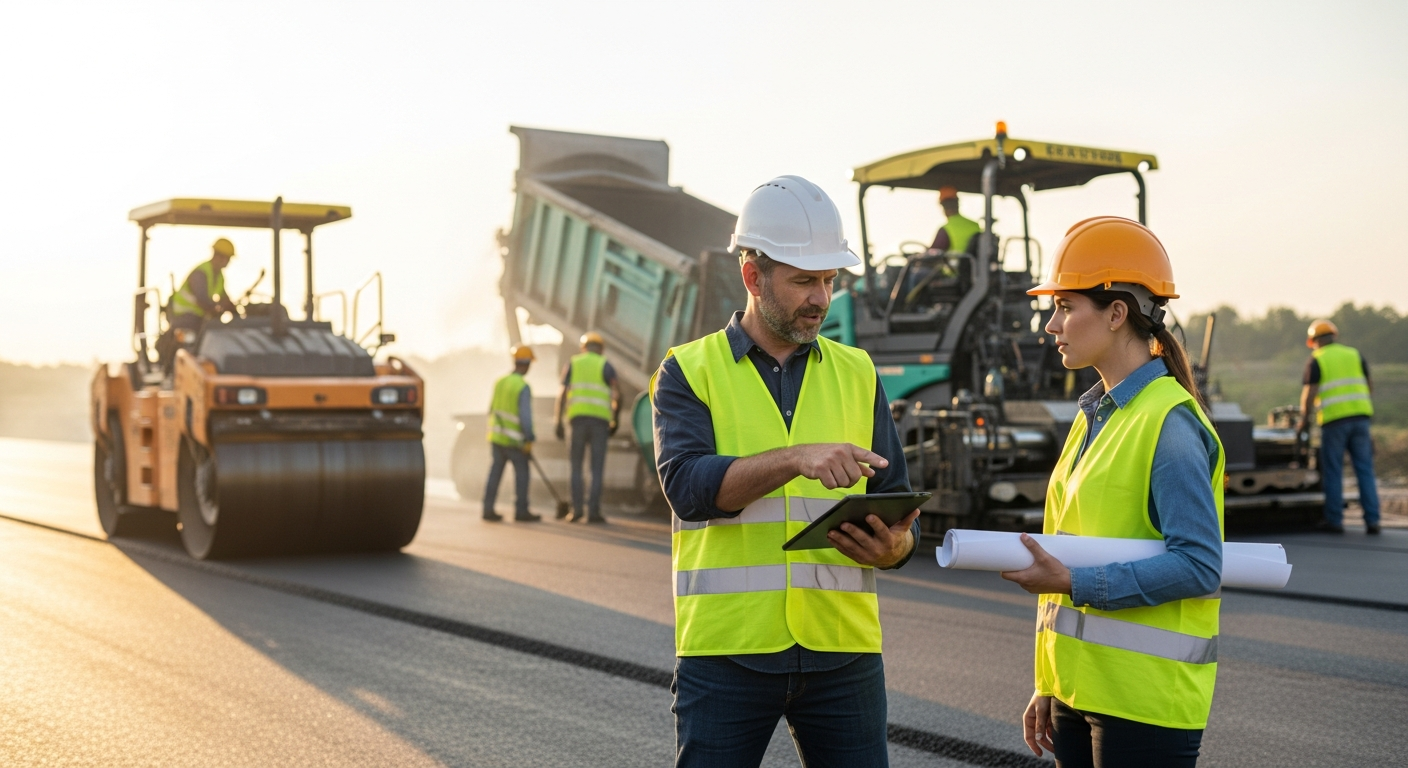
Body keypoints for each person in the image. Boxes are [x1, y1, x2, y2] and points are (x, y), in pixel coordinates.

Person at [652, 175, 923, 768]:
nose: (821, 298)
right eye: (804, 281)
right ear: (753, 277)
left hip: (844, 652)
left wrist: (895, 548)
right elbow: (689, 490)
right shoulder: (688, 371)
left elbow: (899, 506)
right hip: (726, 653)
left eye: (829, 280)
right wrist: (796, 458)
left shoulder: (859, 371)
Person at [1008, 216, 1225, 767]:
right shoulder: (1092, 417)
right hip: (1077, 690)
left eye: (1065, 306)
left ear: (1116, 313)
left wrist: (1075, 583)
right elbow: (1071, 546)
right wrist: (1047, 682)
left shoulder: (1169, 423)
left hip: (1143, 702)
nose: (1051, 325)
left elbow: (1199, 565)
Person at [1298, 319, 1380, 535]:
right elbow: (1369, 386)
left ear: (1314, 341)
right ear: (1334, 336)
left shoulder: (1317, 359)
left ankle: (1335, 520)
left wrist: (1304, 419)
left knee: (1334, 471)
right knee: (1365, 469)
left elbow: (1309, 393)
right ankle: (1373, 520)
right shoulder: (1354, 354)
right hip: (1361, 419)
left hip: (1334, 422)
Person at [554, 331, 621, 523]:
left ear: (583, 348)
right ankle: (593, 512)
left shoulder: (573, 363)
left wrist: (558, 420)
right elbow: (617, 394)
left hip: (577, 422)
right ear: (601, 349)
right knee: (596, 469)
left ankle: (576, 511)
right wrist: (615, 420)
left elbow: (562, 394)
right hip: (600, 423)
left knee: (576, 468)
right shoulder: (606, 365)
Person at [484, 345, 541, 523]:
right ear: (527, 364)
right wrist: (529, 437)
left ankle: (487, 509)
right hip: (514, 441)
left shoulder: (499, 382)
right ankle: (521, 511)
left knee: (495, 474)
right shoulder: (522, 387)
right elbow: (525, 417)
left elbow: (491, 409)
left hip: (497, 437)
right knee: (522, 474)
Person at [170, 238, 238, 331]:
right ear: (219, 256)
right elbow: (202, 300)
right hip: (183, 315)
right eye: (228, 258)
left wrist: (236, 313)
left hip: (197, 316)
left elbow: (224, 298)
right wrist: (217, 308)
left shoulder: (219, 276)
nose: (228, 261)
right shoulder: (200, 273)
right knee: (212, 329)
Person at [927, 186, 981, 254]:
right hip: (975, 261)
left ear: (943, 207)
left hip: (955, 261)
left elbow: (932, 254)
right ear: (957, 204)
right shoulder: (975, 225)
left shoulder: (946, 229)